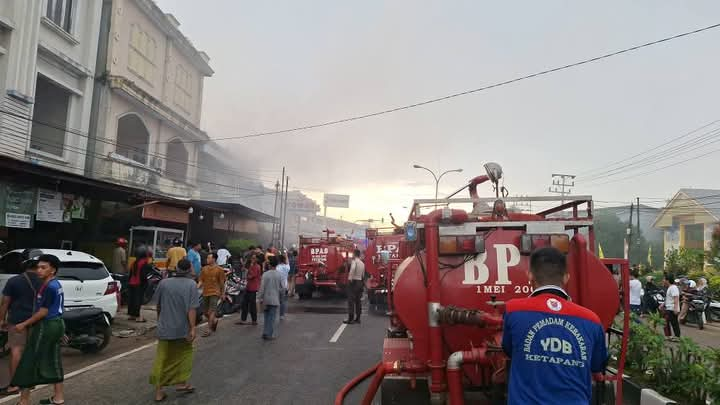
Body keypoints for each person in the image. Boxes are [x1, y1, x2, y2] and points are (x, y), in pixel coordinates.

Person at [501, 247, 607, 405]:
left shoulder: (513, 310)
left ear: (530, 275)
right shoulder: (592, 320)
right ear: (566, 278)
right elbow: (597, 365)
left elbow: (508, 349)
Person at [11, 254, 66, 405]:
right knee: (53, 359)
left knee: (29, 361)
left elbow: (43, 312)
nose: (39, 270)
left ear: (53, 270)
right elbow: (58, 308)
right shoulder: (55, 284)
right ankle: (58, 397)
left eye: (43, 267)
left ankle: (24, 401)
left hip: (46, 325)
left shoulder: (49, 287)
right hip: (56, 323)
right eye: (38, 267)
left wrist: (23, 324)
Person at [149, 259, 199, 402]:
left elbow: (158, 305)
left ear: (176, 268)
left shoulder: (164, 283)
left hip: (165, 328)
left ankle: (159, 392)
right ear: (189, 269)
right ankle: (181, 382)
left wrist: (160, 321)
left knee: (162, 358)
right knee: (184, 354)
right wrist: (193, 328)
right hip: (182, 329)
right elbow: (192, 309)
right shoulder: (191, 285)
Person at [0, 256, 41, 396]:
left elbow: (5, 302)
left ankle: (14, 385)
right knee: (33, 351)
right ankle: (31, 382)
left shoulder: (14, 281)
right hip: (37, 320)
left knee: (16, 350)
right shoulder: (44, 281)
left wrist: (1, 319)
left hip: (17, 321)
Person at [197, 253, 226, 337]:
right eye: (207, 258)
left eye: (209, 258)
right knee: (205, 312)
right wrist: (196, 288)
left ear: (214, 259)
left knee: (211, 311)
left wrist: (223, 293)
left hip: (215, 292)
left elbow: (222, 283)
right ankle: (214, 320)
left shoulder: (219, 269)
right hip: (205, 292)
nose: (207, 259)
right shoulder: (204, 269)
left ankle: (209, 329)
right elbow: (201, 281)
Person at [258, 255, 283, 340]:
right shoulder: (279, 275)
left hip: (266, 299)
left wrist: (259, 298)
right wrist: (281, 298)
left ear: (269, 265)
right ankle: (269, 334)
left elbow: (262, 287)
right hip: (275, 299)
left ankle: (265, 333)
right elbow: (281, 288)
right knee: (271, 318)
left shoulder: (265, 274)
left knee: (266, 317)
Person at [128, 249, 153, 323]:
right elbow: (143, 275)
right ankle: (138, 317)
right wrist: (145, 283)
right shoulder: (143, 263)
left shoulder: (134, 263)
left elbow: (130, 274)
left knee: (132, 299)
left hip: (131, 283)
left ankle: (131, 315)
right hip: (139, 284)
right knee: (138, 300)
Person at [236, 255, 261, 326]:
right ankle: (244, 319)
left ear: (257, 259)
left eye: (254, 258)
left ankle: (253, 320)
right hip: (249, 287)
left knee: (251, 305)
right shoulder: (252, 266)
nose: (252, 259)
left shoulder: (256, 266)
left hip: (253, 288)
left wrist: (246, 273)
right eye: (252, 258)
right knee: (245, 304)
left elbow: (251, 276)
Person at [344, 249, 365, 325]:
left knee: (351, 301)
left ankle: (350, 319)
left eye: (352, 254)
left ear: (354, 254)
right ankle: (358, 318)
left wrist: (350, 278)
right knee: (358, 301)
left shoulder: (354, 261)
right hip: (360, 282)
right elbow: (363, 274)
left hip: (354, 282)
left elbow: (352, 269)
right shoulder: (362, 263)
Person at [663, 274, 681, 338]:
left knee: (674, 323)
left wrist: (675, 308)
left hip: (672, 308)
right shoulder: (670, 287)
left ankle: (677, 336)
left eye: (664, 279)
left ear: (667, 280)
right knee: (666, 322)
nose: (663, 280)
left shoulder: (673, 287)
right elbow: (669, 298)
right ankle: (669, 335)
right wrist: (663, 304)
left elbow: (676, 298)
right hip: (669, 308)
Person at [276, 255, 290, 319]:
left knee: (275, 300)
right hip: (284, 286)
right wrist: (286, 256)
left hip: (276, 286)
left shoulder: (277, 268)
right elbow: (287, 262)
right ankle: (281, 315)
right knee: (282, 301)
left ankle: (274, 313)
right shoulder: (287, 267)